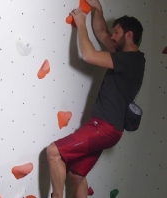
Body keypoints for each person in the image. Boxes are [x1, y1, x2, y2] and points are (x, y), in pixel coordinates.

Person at [46, 0, 145, 197]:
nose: (112, 37)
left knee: (53, 152)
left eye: (116, 32)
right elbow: (101, 33)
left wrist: (80, 24)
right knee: (76, 175)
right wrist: (97, 9)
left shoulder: (131, 60)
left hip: (104, 127)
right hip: (107, 128)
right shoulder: (127, 56)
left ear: (129, 35)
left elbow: (89, 55)